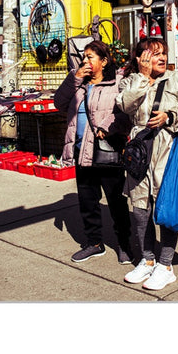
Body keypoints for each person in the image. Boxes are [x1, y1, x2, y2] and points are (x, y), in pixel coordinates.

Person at [116, 36, 178, 290]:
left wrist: (170, 116)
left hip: (168, 149)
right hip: (140, 151)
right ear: (141, 58)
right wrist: (142, 77)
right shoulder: (131, 81)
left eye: (164, 53)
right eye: (154, 53)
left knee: (166, 207)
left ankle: (165, 265)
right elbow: (124, 105)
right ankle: (148, 259)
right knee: (140, 208)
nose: (162, 58)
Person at [53, 39, 133, 264]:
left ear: (104, 61)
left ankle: (124, 245)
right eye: (84, 56)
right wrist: (75, 77)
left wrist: (107, 126)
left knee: (116, 202)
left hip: (107, 150)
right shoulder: (78, 81)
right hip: (81, 151)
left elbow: (125, 111)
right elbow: (59, 103)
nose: (85, 61)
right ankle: (94, 243)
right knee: (88, 201)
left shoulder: (117, 82)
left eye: (90, 57)